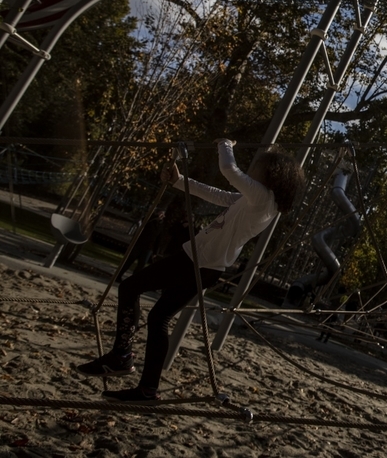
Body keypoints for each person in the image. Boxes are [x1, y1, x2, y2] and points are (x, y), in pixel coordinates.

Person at [76, 139, 305, 403]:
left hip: (197, 261)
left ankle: (122, 355)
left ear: (271, 175)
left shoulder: (263, 200)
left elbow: (229, 171)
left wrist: (225, 144)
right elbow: (217, 195)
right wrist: (179, 180)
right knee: (158, 317)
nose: (251, 170)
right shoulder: (257, 201)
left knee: (130, 288)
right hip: (205, 263)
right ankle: (147, 388)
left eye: (257, 167)